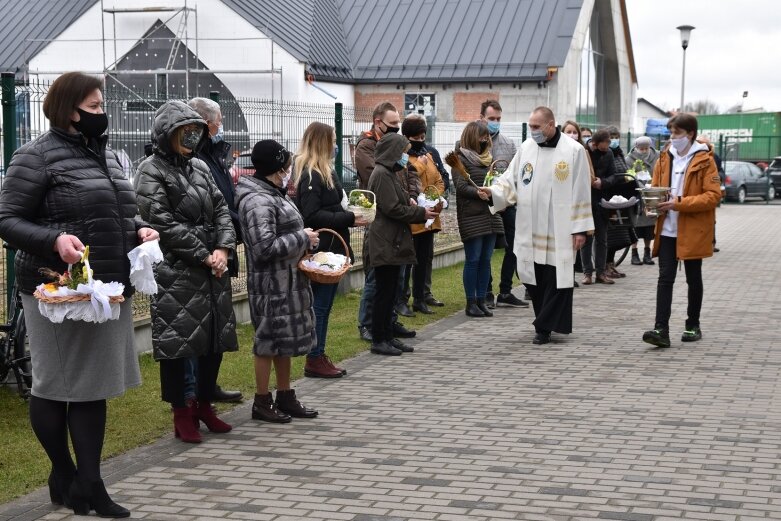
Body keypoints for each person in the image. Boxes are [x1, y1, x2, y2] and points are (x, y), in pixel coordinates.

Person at [0, 72, 158, 518]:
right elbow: (7, 219)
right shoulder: (33, 157)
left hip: (103, 289)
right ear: (69, 109)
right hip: (55, 291)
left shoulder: (107, 157)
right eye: (93, 107)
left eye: (101, 105)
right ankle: (65, 473)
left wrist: (138, 229)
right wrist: (54, 240)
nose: (102, 114)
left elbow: (114, 213)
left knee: (92, 389)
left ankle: (90, 482)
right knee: (53, 387)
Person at [135, 100, 238, 444]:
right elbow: (158, 220)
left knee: (212, 340)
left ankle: (205, 405)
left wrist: (223, 249)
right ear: (167, 134)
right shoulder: (150, 169)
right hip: (176, 270)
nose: (192, 138)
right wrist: (205, 254)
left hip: (212, 268)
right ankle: (183, 412)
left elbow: (222, 207)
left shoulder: (200, 167)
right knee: (180, 344)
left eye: (196, 131)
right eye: (185, 132)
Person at [479, 107, 593, 345]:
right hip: (530, 228)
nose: (532, 131)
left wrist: (580, 228)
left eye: (536, 127)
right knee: (530, 277)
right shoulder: (526, 148)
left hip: (559, 230)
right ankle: (543, 321)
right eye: (530, 126)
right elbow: (510, 180)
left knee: (557, 279)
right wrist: (492, 192)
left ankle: (543, 327)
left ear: (551, 125)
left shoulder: (574, 151)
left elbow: (582, 190)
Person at [236, 140, 320, 422]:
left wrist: (307, 242)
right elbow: (264, 247)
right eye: (286, 165)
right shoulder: (257, 200)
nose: (289, 170)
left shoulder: (275, 193)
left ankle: (285, 394)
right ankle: (261, 401)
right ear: (276, 167)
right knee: (267, 342)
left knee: (283, 342)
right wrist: (302, 238)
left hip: (289, 282)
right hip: (270, 286)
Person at [293, 122, 368, 378]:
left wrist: (349, 215)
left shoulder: (325, 172)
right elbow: (312, 214)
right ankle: (314, 357)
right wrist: (347, 218)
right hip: (323, 252)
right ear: (324, 142)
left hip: (334, 250)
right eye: (333, 140)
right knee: (320, 307)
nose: (337, 146)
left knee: (324, 306)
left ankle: (318, 353)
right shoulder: (311, 175)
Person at [642, 114, 721, 348]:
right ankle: (660, 329)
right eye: (671, 133)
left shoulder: (705, 160)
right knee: (665, 279)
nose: (672, 138)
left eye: (677, 133)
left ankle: (692, 324)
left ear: (690, 134)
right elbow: (656, 187)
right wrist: (652, 203)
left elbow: (713, 196)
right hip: (667, 228)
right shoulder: (664, 158)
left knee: (693, 279)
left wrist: (679, 203)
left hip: (693, 230)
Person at [187, 96, 243, 403]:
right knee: (199, 330)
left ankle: (208, 387)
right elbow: (212, 205)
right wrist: (238, 227)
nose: (221, 128)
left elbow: (225, 201)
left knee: (218, 328)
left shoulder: (213, 155)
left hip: (221, 249)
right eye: (219, 123)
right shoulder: (196, 158)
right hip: (203, 254)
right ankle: (195, 391)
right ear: (206, 125)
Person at [365, 133, 434, 355]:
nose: (406, 157)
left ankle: (388, 334)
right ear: (393, 153)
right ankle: (379, 338)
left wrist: (411, 201)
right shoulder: (382, 174)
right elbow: (392, 208)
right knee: (384, 292)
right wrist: (420, 213)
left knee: (392, 289)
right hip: (386, 240)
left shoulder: (390, 172)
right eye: (403, 152)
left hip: (393, 239)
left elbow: (398, 199)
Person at [354, 101, 416, 342]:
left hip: (398, 216)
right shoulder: (367, 146)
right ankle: (369, 323)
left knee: (397, 277)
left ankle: (388, 321)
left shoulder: (396, 150)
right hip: (379, 219)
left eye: (397, 126)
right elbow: (378, 181)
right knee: (376, 279)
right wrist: (402, 200)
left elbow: (408, 172)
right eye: (392, 126)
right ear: (377, 122)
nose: (395, 130)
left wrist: (410, 196)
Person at [479, 100, 528, 308]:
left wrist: (508, 198)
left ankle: (506, 290)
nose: (495, 122)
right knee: (487, 249)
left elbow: (515, 175)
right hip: (483, 204)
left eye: (498, 119)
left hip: (507, 204)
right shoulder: (470, 142)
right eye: (491, 119)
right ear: (482, 118)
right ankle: (487, 291)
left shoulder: (509, 144)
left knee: (513, 246)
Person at [453, 121, 504, 318]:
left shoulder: (488, 159)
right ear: (472, 137)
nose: (485, 140)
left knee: (486, 260)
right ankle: (471, 302)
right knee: (473, 260)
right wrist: (478, 193)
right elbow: (460, 187)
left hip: (491, 215)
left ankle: (482, 300)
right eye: (482, 136)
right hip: (472, 216)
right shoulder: (460, 159)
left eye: (487, 137)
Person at [400, 114, 445, 315]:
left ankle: (420, 298)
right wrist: (420, 163)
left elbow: (439, 179)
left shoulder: (429, 155)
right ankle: (402, 299)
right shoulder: (404, 157)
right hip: (413, 216)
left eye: (422, 137)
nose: (419, 141)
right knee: (410, 260)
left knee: (425, 259)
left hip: (430, 215)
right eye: (415, 138)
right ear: (407, 137)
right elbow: (410, 178)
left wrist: (437, 197)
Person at [581, 129, 618, 285]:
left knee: (602, 238)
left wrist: (602, 182)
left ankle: (601, 273)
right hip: (585, 201)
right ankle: (587, 273)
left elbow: (614, 175)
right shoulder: (583, 152)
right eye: (606, 143)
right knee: (586, 238)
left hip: (602, 201)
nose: (608, 146)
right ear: (595, 143)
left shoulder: (609, 153)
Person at [627, 135, 660, 265]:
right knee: (635, 226)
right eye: (641, 148)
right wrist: (642, 187)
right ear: (636, 147)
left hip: (652, 193)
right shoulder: (629, 159)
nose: (644, 150)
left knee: (649, 227)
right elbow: (630, 175)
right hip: (637, 194)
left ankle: (647, 253)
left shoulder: (657, 156)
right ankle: (634, 254)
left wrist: (654, 185)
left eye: (646, 148)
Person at [606, 125, 631, 278]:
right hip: (610, 198)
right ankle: (605, 266)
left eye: (616, 137)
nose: (614, 140)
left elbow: (623, 170)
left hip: (620, 198)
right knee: (611, 235)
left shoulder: (619, 152)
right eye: (611, 137)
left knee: (619, 234)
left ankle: (611, 264)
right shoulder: (606, 153)